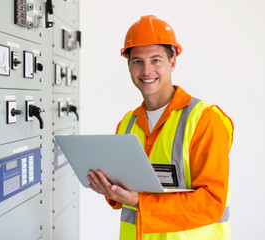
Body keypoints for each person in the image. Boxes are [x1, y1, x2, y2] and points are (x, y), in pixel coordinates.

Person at [87, 15, 234, 240]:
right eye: (137, 61)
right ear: (128, 65)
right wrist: (110, 190)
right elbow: (125, 195)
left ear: (172, 62)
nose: (146, 70)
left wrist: (140, 202)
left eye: (156, 60)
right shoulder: (127, 124)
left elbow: (212, 202)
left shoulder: (204, 119)